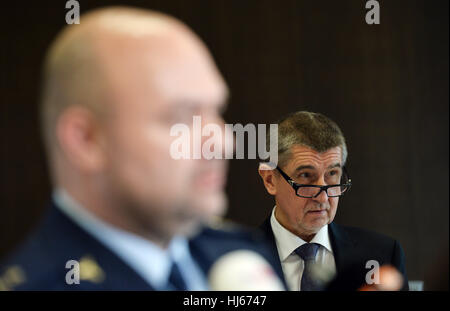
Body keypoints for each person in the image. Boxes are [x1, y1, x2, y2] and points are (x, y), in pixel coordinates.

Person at [0, 6, 283, 291]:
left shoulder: (245, 260)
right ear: (86, 140)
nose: (224, 143)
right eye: (182, 118)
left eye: (217, 110)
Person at [258, 111, 409, 291]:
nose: (323, 197)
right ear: (270, 180)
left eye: (332, 174)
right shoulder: (238, 257)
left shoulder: (381, 255)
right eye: (305, 175)